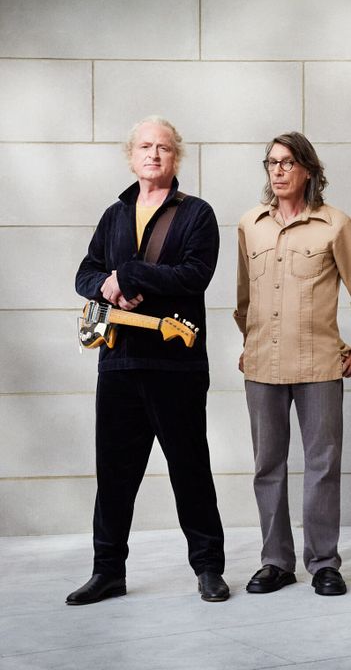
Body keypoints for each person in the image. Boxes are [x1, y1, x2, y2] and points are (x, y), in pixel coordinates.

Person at [70, 116, 229, 604]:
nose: (153, 154)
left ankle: (209, 569)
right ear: (131, 156)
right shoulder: (114, 215)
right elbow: (85, 273)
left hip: (176, 367)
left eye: (163, 147)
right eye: (144, 146)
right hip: (118, 365)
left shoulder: (197, 214)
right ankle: (107, 572)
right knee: (113, 477)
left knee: (189, 469)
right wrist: (107, 285)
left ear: (176, 157)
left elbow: (195, 275)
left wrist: (131, 276)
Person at [235, 132, 351, 597]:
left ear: (308, 170)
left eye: (287, 163)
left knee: (322, 465)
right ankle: (275, 562)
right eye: (271, 163)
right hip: (262, 366)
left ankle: (324, 563)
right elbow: (244, 298)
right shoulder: (250, 225)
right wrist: (249, 343)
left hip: (319, 365)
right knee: (267, 467)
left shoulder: (336, 224)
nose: (278, 171)